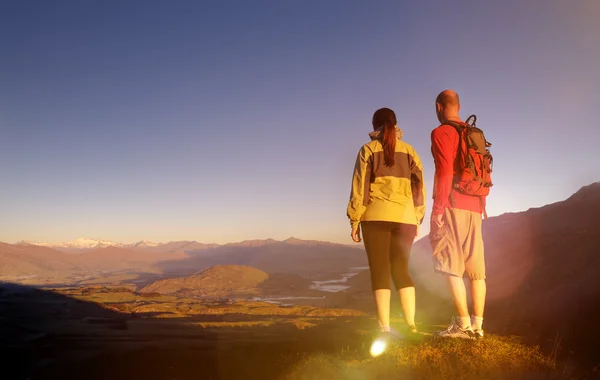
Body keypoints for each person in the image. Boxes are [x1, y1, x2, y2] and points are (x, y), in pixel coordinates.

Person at [347, 107, 426, 336]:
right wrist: (417, 217)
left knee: (380, 271)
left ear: (374, 126)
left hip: (375, 217)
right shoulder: (411, 151)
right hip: (406, 219)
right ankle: (411, 325)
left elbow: (360, 189)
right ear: (395, 124)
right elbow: (418, 188)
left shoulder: (368, 150)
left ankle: (384, 328)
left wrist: (354, 220)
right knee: (401, 270)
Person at [430, 89, 486, 339]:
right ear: (459, 107)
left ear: (438, 106)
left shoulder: (441, 132)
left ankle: (463, 327)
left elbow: (444, 171)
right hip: (476, 205)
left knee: (451, 265)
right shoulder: (474, 134)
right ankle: (478, 327)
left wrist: (437, 210)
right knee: (477, 271)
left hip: (453, 203)